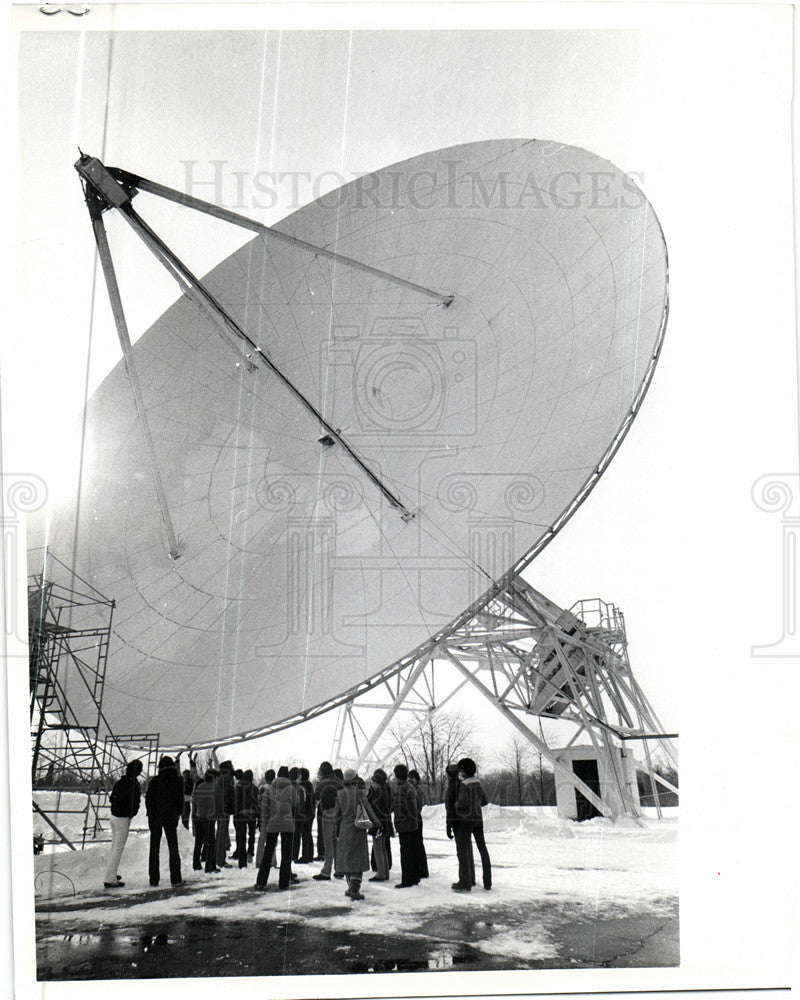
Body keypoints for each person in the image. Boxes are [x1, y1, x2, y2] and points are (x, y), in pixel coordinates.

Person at [333, 768, 379, 901]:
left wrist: (336, 829)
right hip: (358, 827)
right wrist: (377, 823)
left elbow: (337, 814)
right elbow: (368, 809)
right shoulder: (358, 794)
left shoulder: (340, 794)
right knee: (358, 858)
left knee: (347, 857)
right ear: (355, 779)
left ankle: (350, 886)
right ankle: (354, 887)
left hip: (344, 828)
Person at [254, 765, 297, 891]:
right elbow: (295, 803)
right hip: (288, 823)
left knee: (268, 852)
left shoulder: (270, 789)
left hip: (273, 823)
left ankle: (261, 882)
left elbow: (264, 807)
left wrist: (266, 820)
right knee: (286, 853)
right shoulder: (291, 789)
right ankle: (284, 883)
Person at [452, 757, 492, 892]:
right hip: (478, 819)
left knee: (463, 850)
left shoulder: (464, 785)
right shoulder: (478, 783)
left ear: (463, 771)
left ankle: (465, 882)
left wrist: (456, 806)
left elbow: (462, 804)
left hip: (466, 820)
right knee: (483, 849)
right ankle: (487, 882)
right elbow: (484, 801)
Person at [145, 755, 184, 887]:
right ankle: (176, 878)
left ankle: (154, 879)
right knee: (173, 847)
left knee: (154, 848)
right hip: (171, 818)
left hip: (155, 818)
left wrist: (150, 814)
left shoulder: (155, 781)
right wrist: (178, 814)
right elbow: (180, 801)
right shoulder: (178, 781)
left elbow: (148, 800)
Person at [104, 758, 143, 888]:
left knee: (114, 846)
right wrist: (131, 813)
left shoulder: (119, 782)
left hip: (114, 816)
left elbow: (111, 798)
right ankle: (110, 879)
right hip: (123, 818)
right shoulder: (133, 785)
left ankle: (111, 873)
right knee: (118, 849)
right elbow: (135, 802)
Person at [445, 761, 475, 887]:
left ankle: (464, 882)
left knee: (462, 852)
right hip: (465, 820)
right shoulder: (461, 784)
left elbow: (451, 808)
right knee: (467, 850)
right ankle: (470, 878)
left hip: (458, 822)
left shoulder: (453, 787)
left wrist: (449, 825)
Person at [312, 761, 342, 881]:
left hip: (327, 813)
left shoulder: (323, 783)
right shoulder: (339, 782)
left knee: (328, 843)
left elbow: (316, 798)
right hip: (338, 814)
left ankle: (326, 871)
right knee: (335, 842)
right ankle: (339, 869)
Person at [392, 763, 420, 888]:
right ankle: (415, 877)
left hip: (404, 824)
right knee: (413, 851)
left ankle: (406, 879)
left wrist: (397, 822)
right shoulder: (411, 787)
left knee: (405, 852)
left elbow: (399, 808)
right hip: (413, 823)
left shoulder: (400, 789)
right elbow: (417, 805)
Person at [191, 768, 221, 873]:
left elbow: (194, 801)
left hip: (199, 817)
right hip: (210, 819)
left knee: (198, 842)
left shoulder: (199, 787)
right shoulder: (216, 788)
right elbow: (219, 804)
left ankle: (196, 864)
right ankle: (210, 867)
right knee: (210, 843)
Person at [366, 767, 393, 882]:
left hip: (378, 822)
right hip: (386, 821)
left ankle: (381, 874)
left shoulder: (376, 792)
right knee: (383, 848)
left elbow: (369, 804)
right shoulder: (386, 790)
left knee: (378, 848)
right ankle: (385, 872)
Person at [233, 769, 259, 868]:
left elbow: (236, 801)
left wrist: (235, 814)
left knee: (241, 837)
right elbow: (257, 802)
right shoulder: (255, 788)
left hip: (240, 815)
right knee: (251, 835)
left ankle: (242, 861)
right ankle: (250, 854)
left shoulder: (239, 787)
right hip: (252, 815)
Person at [408, 769, 429, 879]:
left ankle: (422, 869)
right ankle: (419, 868)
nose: (410, 780)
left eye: (412, 778)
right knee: (415, 844)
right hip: (414, 818)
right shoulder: (412, 789)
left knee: (418, 844)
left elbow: (418, 805)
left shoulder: (418, 791)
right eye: (409, 778)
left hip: (416, 818)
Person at [215, 761, 235, 869]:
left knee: (220, 834)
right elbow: (228, 794)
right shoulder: (228, 778)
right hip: (225, 809)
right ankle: (220, 860)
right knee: (222, 834)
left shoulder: (220, 778)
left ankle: (218, 857)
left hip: (220, 809)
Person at [298, 767, 315, 863]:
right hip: (311, 812)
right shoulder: (310, 785)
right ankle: (310, 855)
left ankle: (305, 856)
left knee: (305, 834)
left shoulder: (302, 786)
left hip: (305, 812)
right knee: (308, 834)